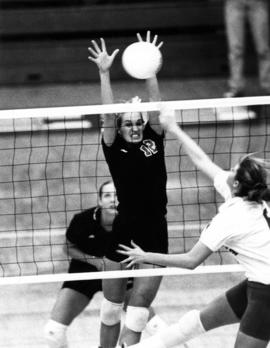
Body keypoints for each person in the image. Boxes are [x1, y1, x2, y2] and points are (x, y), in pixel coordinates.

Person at [118, 105, 270, 348]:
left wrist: (145, 255)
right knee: (193, 323)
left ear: (238, 183)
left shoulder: (233, 217)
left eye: (232, 170)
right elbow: (201, 160)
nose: (227, 171)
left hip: (267, 293)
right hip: (257, 283)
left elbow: (191, 261)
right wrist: (173, 127)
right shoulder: (244, 196)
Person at [87, 31, 168, 347]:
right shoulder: (113, 146)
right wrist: (104, 72)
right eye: (128, 124)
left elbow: (156, 107)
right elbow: (107, 114)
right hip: (123, 232)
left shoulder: (154, 138)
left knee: (136, 317)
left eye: (138, 123)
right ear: (118, 128)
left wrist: (150, 71)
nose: (134, 128)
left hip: (155, 232)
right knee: (110, 311)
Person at [44, 180, 166, 348]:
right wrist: (96, 262)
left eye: (117, 195)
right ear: (100, 201)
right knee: (53, 332)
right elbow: (68, 247)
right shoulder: (83, 221)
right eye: (107, 195)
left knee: (155, 326)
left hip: (120, 276)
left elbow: (143, 254)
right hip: (85, 273)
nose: (112, 200)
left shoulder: (135, 223)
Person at [224, 0, 270, 97]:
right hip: (234, 3)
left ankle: (268, 85)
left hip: (258, 3)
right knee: (235, 49)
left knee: (263, 49)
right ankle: (236, 87)